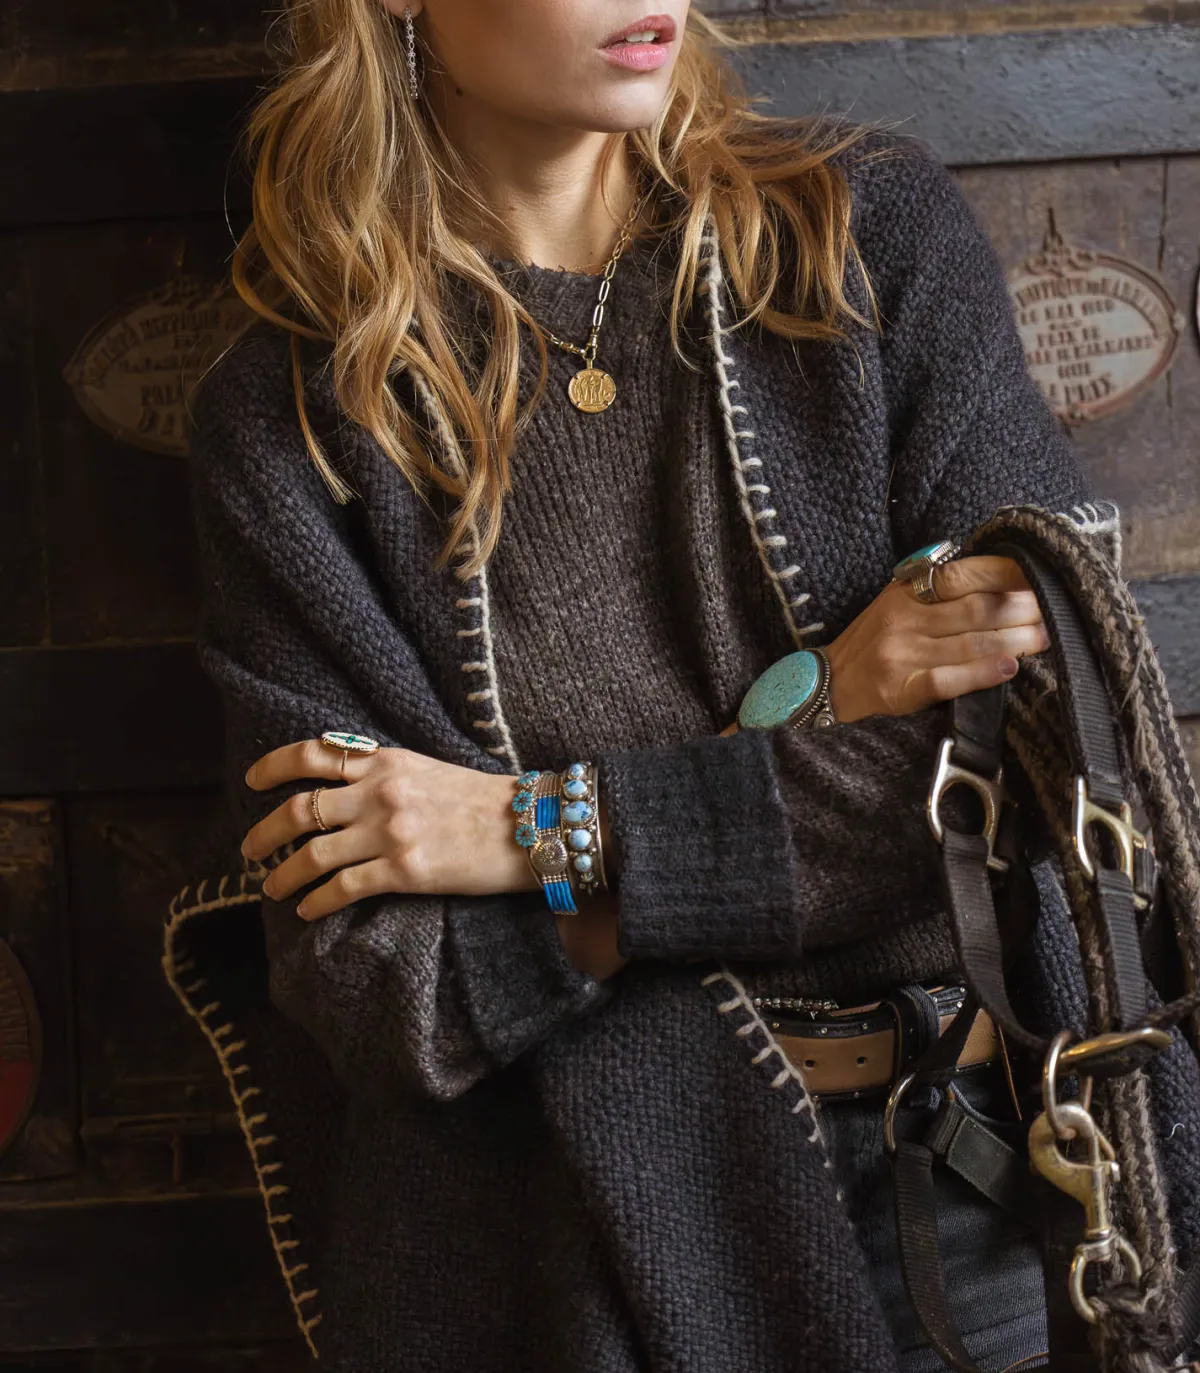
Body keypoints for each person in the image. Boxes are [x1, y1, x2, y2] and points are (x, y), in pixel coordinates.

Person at [181, 2, 1098, 1369]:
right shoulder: (297, 417)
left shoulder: (861, 237)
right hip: (585, 1235)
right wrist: (823, 712)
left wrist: (531, 833)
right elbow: (387, 983)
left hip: (981, 1196)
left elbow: (1029, 757)